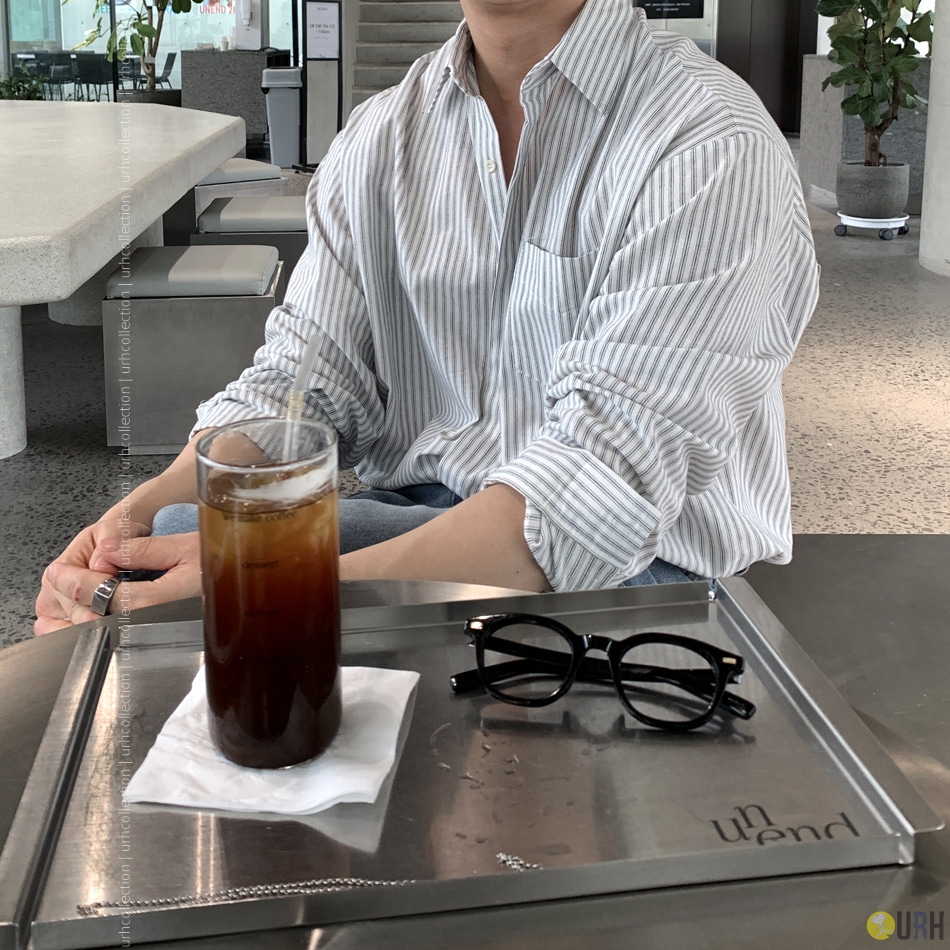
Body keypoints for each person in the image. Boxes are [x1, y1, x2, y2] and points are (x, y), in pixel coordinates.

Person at [35, 0, 819, 634]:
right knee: (177, 530)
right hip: (428, 518)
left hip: (646, 569)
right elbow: (306, 381)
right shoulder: (382, 136)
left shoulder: (706, 138)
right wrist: (127, 524)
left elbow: (603, 488)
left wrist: (275, 592)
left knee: (218, 609)